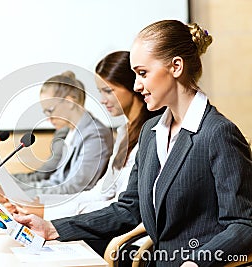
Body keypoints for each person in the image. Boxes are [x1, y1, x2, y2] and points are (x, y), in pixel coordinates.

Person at [14, 20, 252, 267]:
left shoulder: (218, 133)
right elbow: (129, 209)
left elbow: (243, 225)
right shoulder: (152, 131)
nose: (137, 85)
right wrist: (52, 228)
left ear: (176, 67)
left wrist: (195, 264)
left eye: (142, 73)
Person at [9, 51, 163, 222]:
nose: (103, 100)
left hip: (118, 227)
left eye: (108, 91)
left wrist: (44, 209)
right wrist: (37, 204)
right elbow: (101, 192)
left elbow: (116, 203)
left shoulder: (148, 133)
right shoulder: (123, 132)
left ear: (133, 86)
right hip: (102, 216)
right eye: (100, 92)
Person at [0, 70, 114, 199]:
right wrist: (5, 185)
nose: (48, 118)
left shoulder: (95, 136)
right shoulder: (67, 133)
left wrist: (12, 192)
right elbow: (51, 179)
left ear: (70, 102)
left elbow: (74, 187)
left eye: (50, 110)